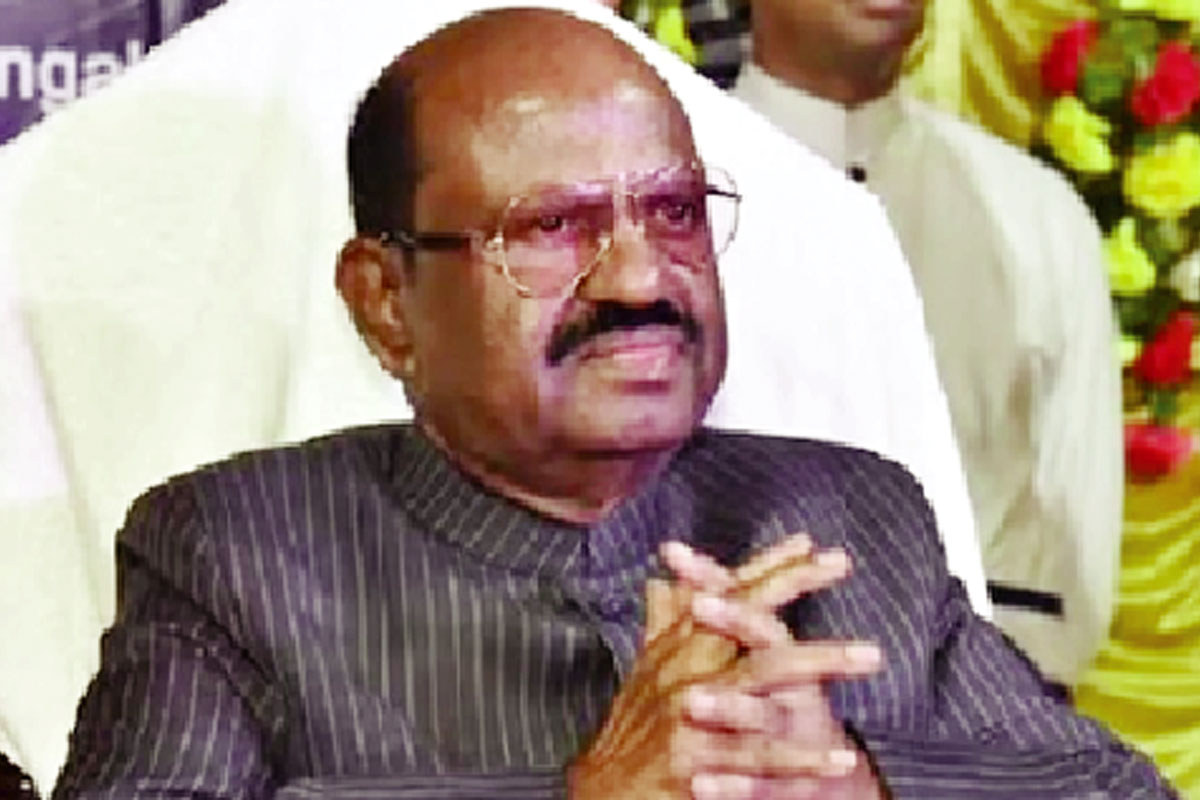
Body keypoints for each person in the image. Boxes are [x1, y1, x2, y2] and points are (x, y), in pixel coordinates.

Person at [53, 7, 1170, 799]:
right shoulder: (239, 550)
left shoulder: (847, 517)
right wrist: (587, 793)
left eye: (676, 212)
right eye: (552, 227)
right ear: (387, 302)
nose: (640, 277)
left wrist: (856, 779)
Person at [711, 0, 1124, 690]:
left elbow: (1072, 552)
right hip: (711, 716)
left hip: (984, 717)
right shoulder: (671, 189)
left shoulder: (1034, 212)